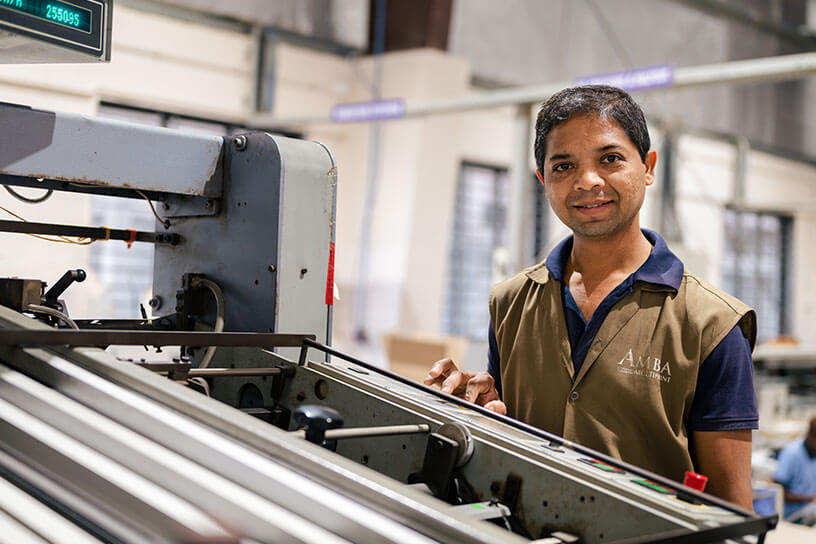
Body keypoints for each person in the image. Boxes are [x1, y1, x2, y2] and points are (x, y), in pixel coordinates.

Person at [425, 85, 758, 510]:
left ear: (648, 166)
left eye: (610, 159)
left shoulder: (712, 325)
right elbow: (503, 433)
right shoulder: (510, 303)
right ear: (544, 181)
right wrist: (474, 408)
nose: (587, 181)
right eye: (564, 165)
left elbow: (732, 511)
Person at [774, 417, 816, 522]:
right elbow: (778, 492)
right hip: (791, 515)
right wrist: (809, 499)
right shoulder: (791, 453)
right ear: (810, 435)